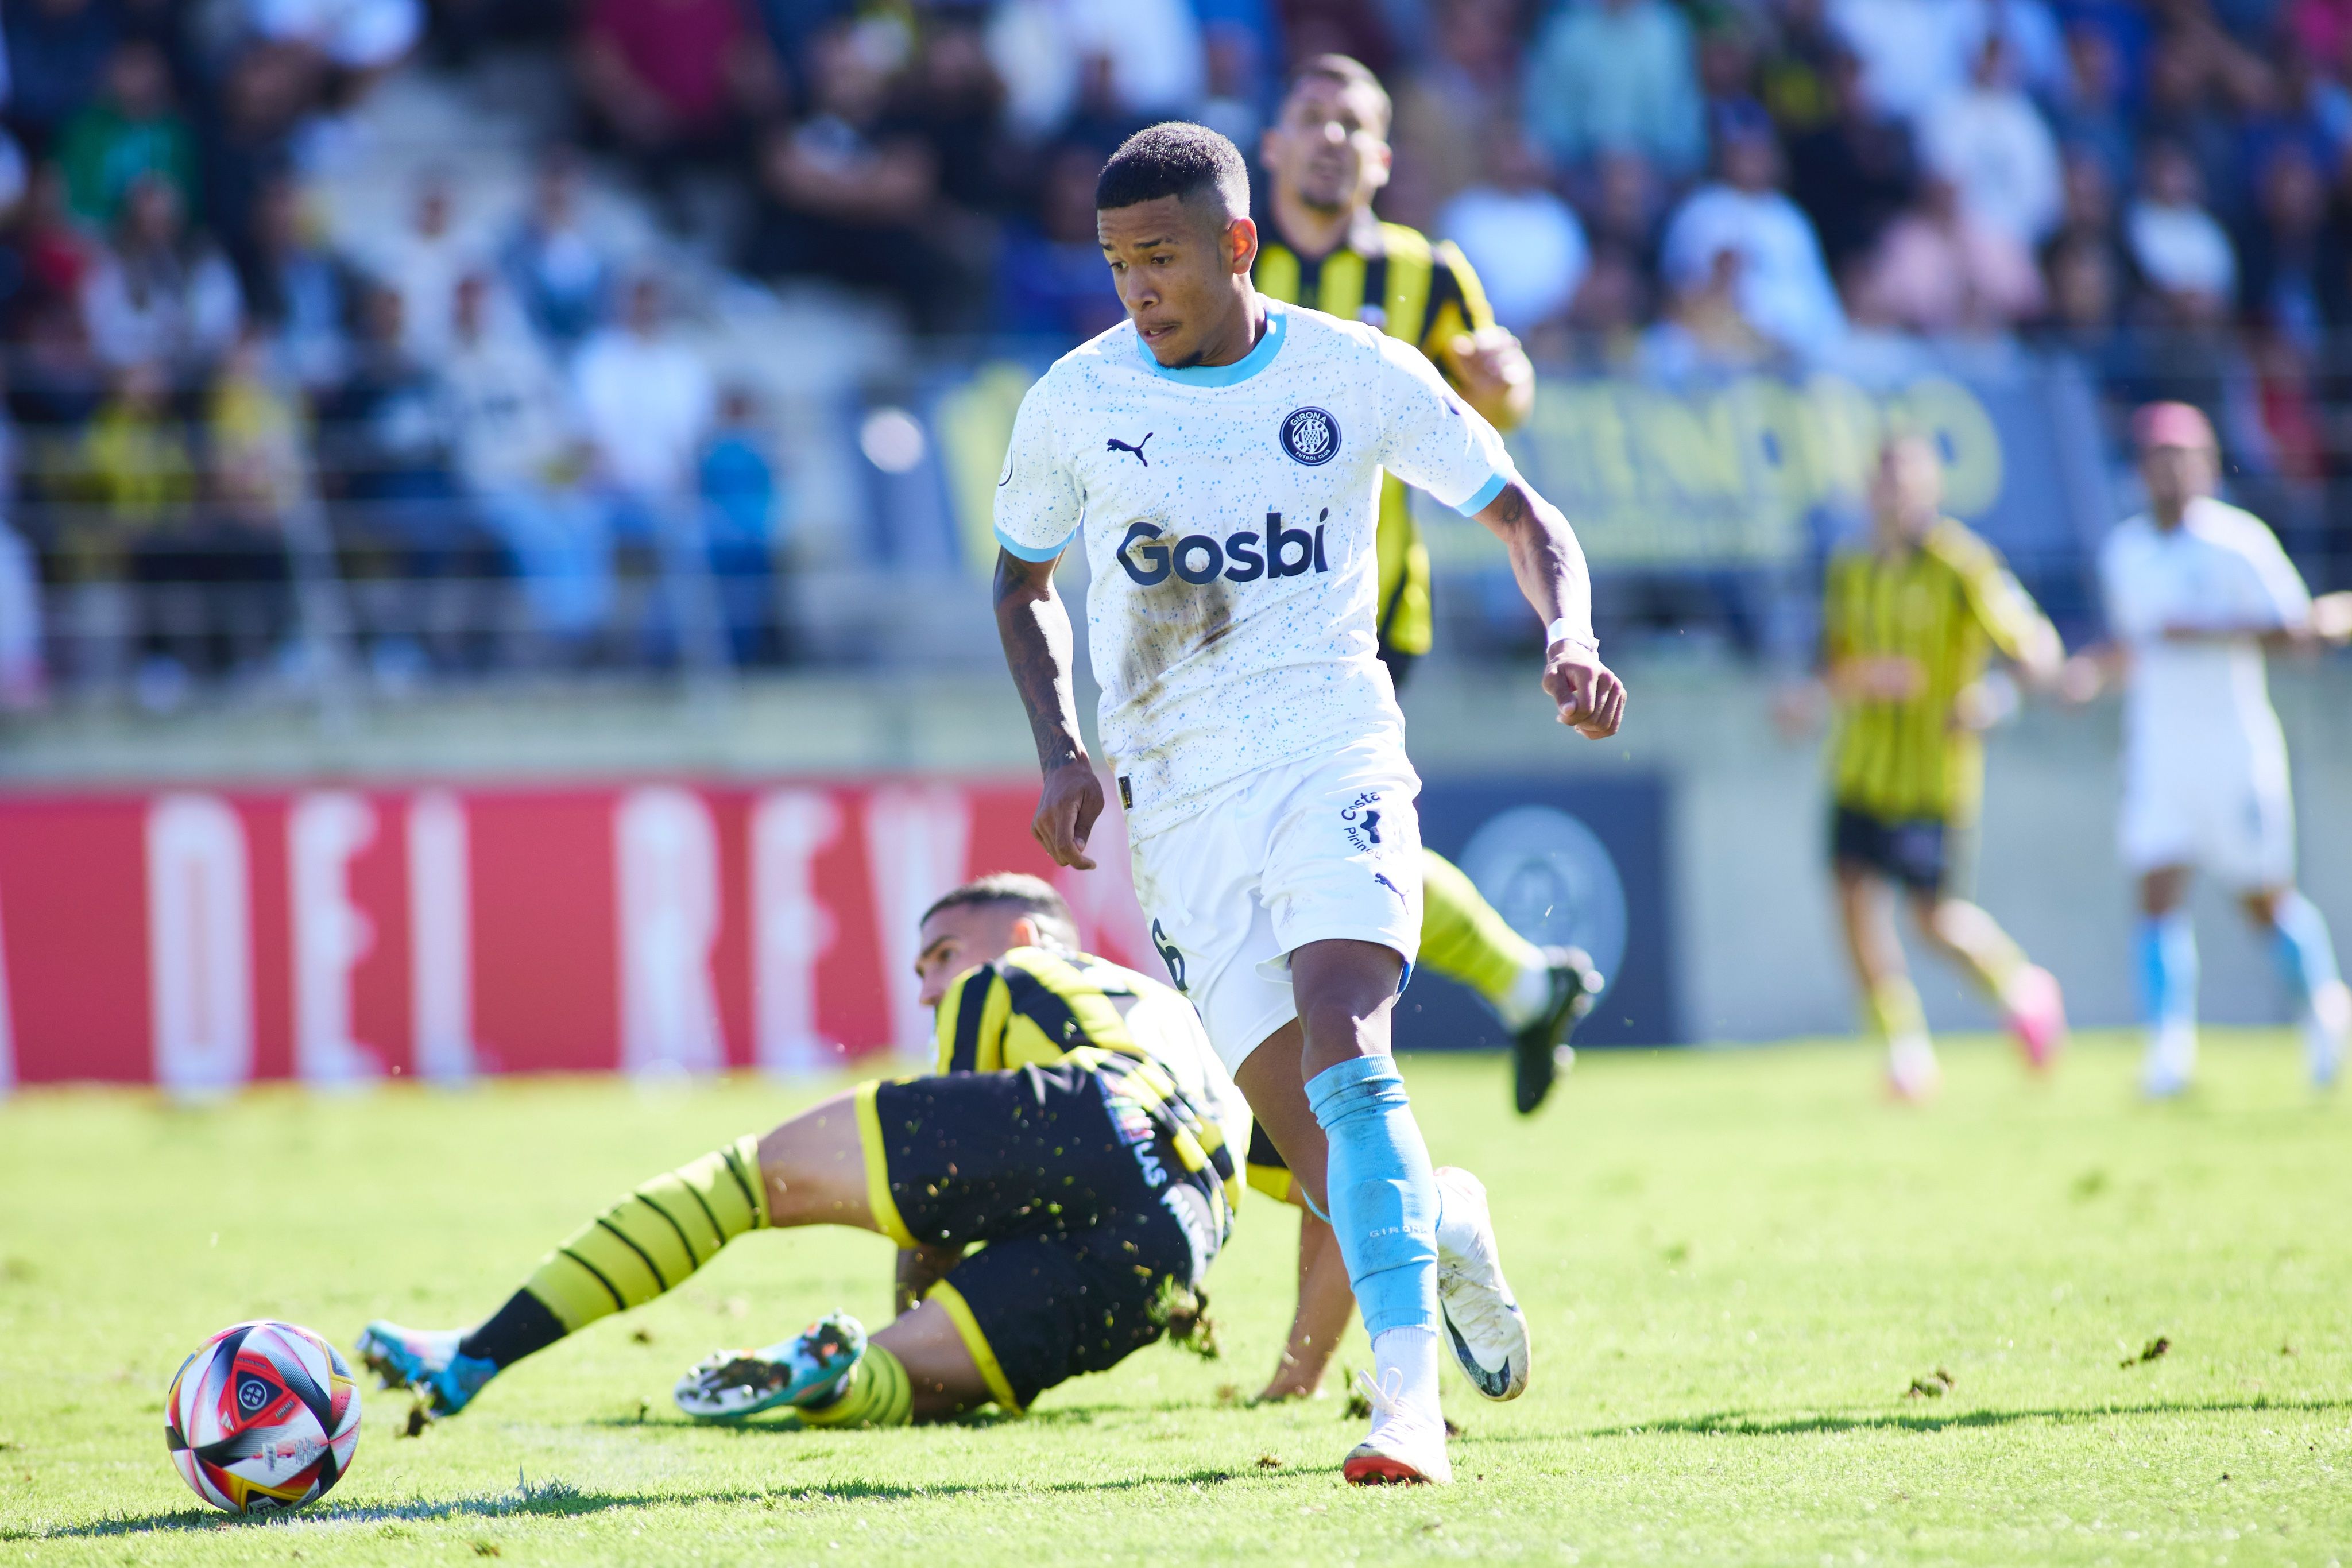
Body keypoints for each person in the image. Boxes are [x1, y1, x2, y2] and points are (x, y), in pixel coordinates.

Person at [992, 122, 1626, 1483]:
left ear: (1236, 247)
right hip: (1176, 808)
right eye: (1115, 265)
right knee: (1322, 1151)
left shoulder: (1352, 372)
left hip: (1331, 752)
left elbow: (1524, 515)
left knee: (1350, 1043)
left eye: (1160, 259)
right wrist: (1060, 748)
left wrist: (1566, 636)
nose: (1137, 290)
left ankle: (1408, 1411)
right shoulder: (1076, 400)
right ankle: (1442, 1216)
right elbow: (1021, 580)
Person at [358, 874, 1251, 1427]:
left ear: (1025, 936)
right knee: (904, 1384)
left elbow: (938, 1211)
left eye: (942, 955)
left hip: (1097, 1110)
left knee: (745, 1180)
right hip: (1181, 1239)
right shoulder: (1199, 1033)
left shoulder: (1013, 976)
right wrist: (1296, 1373)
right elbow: (1324, 1188)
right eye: (922, 971)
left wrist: (919, 1291)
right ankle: (835, 1378)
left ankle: (476, 1351)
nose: (932, 986)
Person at [1254, 56, 1602, 1124]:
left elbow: (1501, 396)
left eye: (1350, 124)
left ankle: (1327, 1107)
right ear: (1270, 146)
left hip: (1366, 616)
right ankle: (1522, 984)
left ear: (1383, 157)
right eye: (1309, 119)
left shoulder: (1428, 274)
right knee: (1332, 847)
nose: (1329, 138)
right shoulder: (1232, 263)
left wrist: (1507, 383)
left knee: (1315, 848)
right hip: (1231, 609)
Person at [2064, 403, 2352, 1095]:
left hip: (2232, 751)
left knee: (2263, 899)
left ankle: (2323, 1006)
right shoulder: (2124, 552)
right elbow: (2137, 645)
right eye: (2158, 457)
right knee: (2156, 893)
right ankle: (2169, 1050)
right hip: (2159, 752)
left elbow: (2296, 635)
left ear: (2204, 463)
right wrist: (2088, 673)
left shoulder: (2237, 545)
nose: (2170, 470)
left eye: (2183, 455)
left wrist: (2212, 630)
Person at [1811, 434, 2069, 1101]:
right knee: (1850, 901)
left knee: (1932, 919)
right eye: (1883, 479)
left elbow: (2035, 649)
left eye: (1906, 480)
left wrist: (1998, 699)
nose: (1893, 493)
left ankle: (2020, 987)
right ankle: (1903, 1051)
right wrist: (1841, 685)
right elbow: (1833, 663)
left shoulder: (1961, 564)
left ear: (1931, 489)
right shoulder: (1850, 567)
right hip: (1858, 769)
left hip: (1931, 777)